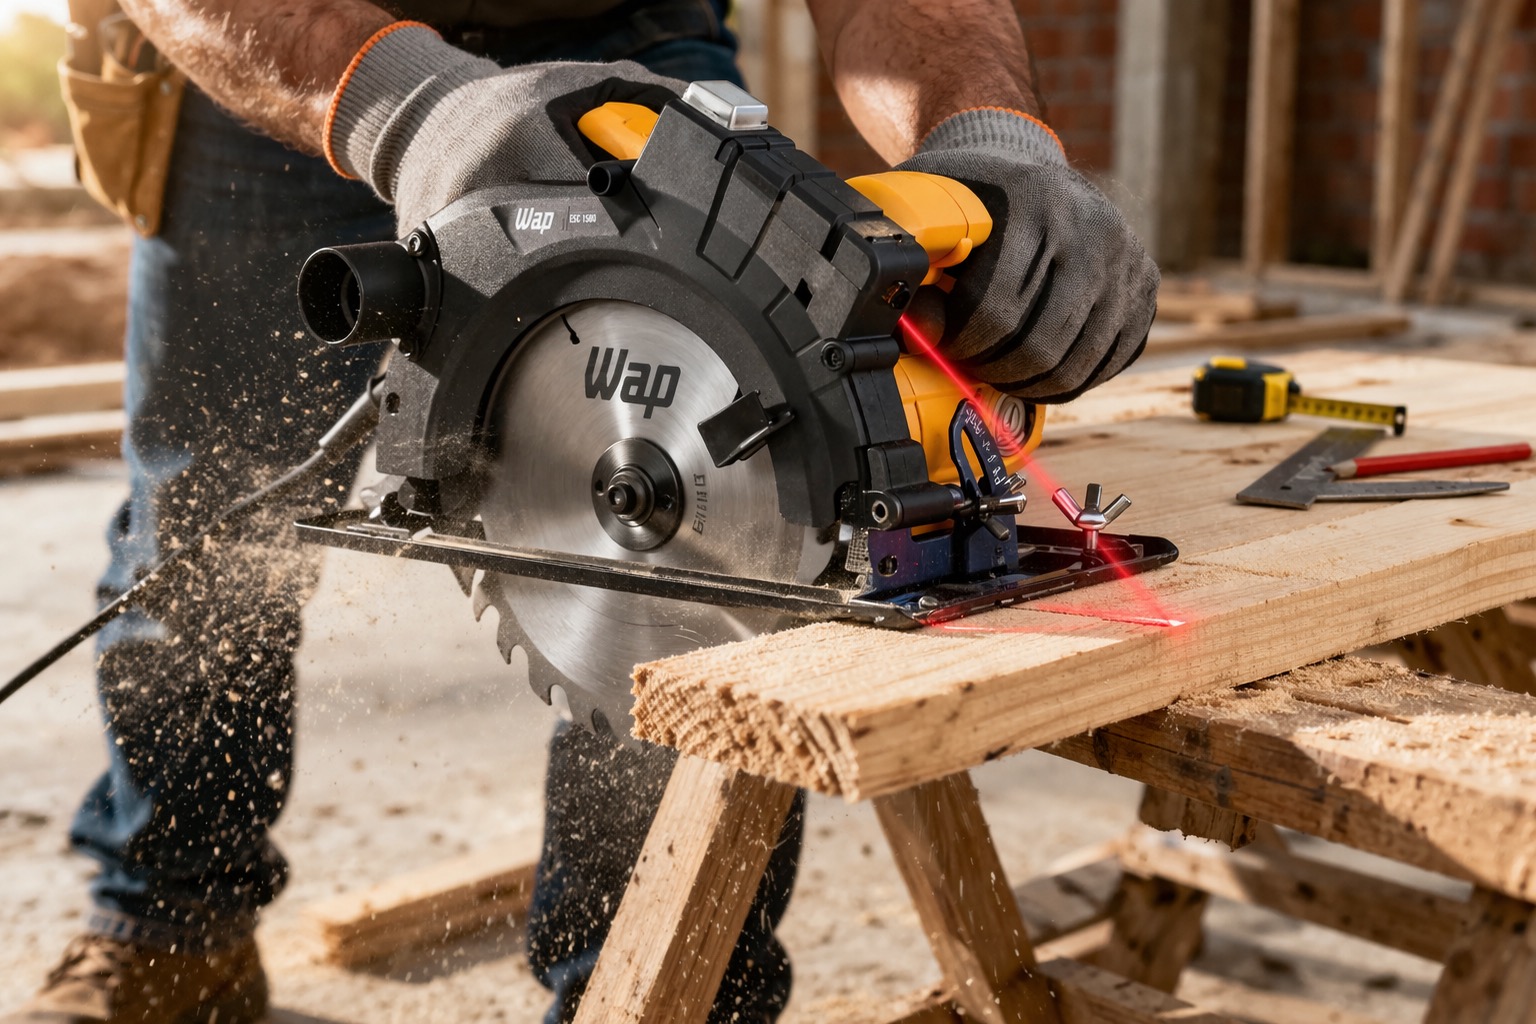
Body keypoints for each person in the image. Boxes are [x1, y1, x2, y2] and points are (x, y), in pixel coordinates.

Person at [4, 2, 1159, 1022]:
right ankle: (169, 924)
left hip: (626, 41)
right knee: (205, 522)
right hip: (284, 47)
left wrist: (987, 140)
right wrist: (410, 110)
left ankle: (656, 980)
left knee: (714, 583)